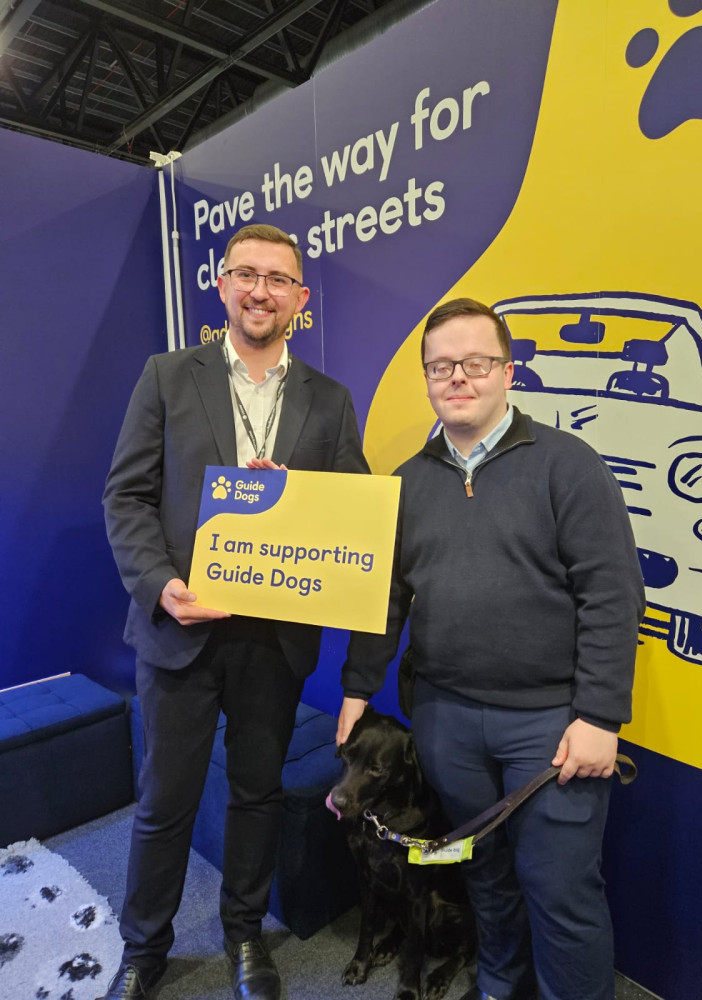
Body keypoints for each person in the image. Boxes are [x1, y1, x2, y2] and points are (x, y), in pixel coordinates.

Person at [337, 298, 645, 1000]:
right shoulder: (408, 484)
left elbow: (613, 593)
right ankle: (501, 987)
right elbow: (385, 602)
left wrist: (599, 715)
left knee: (561, 892)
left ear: (508, 372)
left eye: (476, 362)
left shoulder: (567, 465)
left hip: (551, 725)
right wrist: (358, 689)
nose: (459, 377)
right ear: (427, 378)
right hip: (445, 721)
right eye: (442, 365)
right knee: (485, 878)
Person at [102, 223, 369, 1000]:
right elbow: (127, 496)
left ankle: (245, 936)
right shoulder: (166, 375)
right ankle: (143, 949)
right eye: (245, 274)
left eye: (278, 279)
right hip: (180, 630)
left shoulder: (330, 400)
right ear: (221, 286)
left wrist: (302, 500)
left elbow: (351, 513)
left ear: (300, 299)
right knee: (165, 801)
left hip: (275, 642)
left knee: (256, 795)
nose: (260, 290)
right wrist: (158, 584)